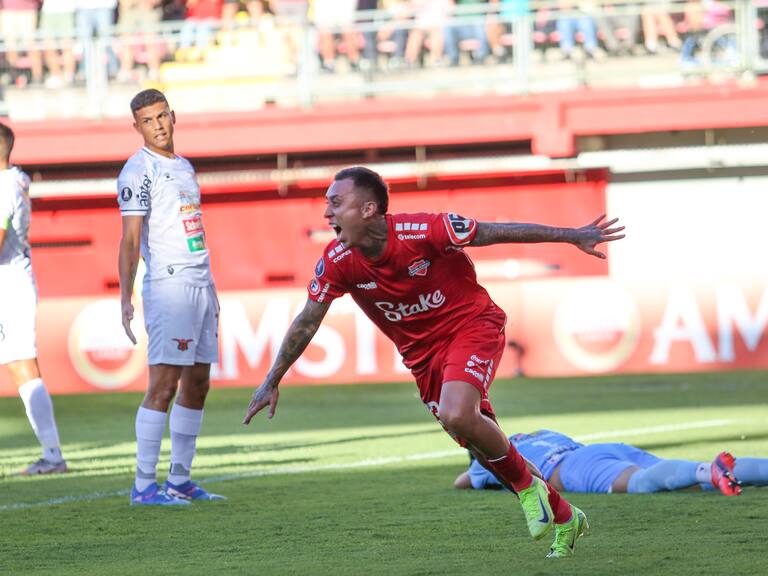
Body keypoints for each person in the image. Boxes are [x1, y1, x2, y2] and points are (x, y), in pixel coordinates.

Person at [243, 166, 625, 558]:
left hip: (470, 326)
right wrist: (272, 379)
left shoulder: (426, 230)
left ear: (370, 209)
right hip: (423, 360)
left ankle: (529, 490)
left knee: (459, 414)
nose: (327, 214)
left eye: (336, 203)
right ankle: (566, 517)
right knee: (485, 451)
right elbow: (308, 319)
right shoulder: (338, 261)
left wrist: (572, 235)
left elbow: (496, 232)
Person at [118, 89, 224, 506]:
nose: (158, 125)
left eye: (162, 116)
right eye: (148, 120)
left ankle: (179, 480)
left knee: (198, 383)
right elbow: (129, 240)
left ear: (173, 117)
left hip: (201, 281)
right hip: (169, 284)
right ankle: (144, 485)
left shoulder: (183, 166)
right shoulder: (136, 171)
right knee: (163, 384)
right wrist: (125, 297)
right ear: (137, 127)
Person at [0, 123, 68, 476]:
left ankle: (53, 454)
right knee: (20, 367)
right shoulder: (16, 178)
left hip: (9, 285)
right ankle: (52, 453)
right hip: (13, 281)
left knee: (23, 366)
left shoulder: (3, 186)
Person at [454, 430, 764, 496]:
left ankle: (707, 470)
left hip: (572, 468)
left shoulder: (488, 459)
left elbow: (462, 482)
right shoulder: (539, 433)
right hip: (603, 448)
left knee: (643, 483)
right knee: (687, 479)